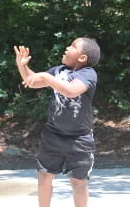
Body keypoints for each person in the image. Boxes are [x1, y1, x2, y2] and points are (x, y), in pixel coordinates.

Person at [14, 37, 100, 207]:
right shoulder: (58, 71)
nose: (67, 48)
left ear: (82, 57)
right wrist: (22, 65)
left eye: (73, 46)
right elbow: (32, 81)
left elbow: (71, 91)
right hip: (52, 135)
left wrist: (46, 76)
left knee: (78, 182)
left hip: (79, 139)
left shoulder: (88, 73)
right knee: (44, 176)